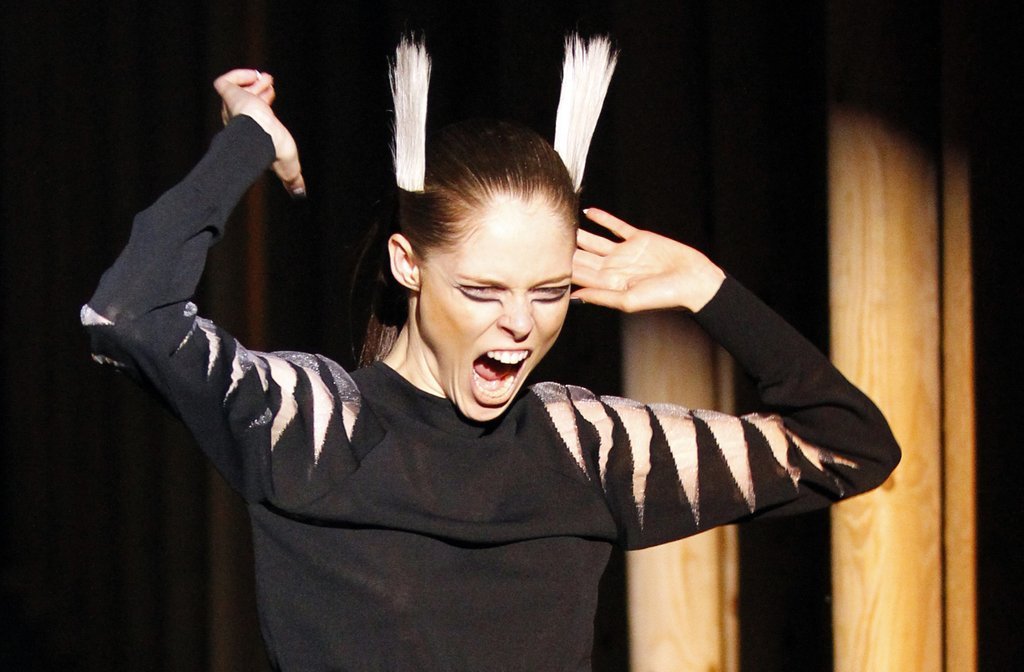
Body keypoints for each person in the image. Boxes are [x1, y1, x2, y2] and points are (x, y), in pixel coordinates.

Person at [82, 37, 899, 672]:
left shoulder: (587, 450)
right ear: (409, 265)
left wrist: (705, 288)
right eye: (482, 290)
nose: (520, 324)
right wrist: (248, 144)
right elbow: (125, 315)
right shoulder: (316, 429)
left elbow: (849, 446)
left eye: (550, 292)